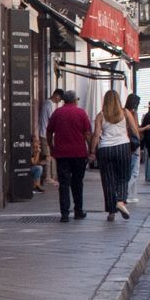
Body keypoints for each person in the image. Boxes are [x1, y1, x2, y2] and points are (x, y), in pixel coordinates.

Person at [46, 89, 93, 222]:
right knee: (78, 183)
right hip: (79, 153)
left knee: (64, 183)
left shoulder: (57, 113)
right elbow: (88, 133)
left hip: (62, 154)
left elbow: (49, 132)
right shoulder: (81, 113)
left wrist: (51, 147)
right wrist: (91, 150)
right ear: (74, 100)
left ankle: (65, 214)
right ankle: (78, 211)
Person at [93, 90, 136, 221]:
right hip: (123, 147)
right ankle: (121, 201)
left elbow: (96, 135)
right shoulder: (125, 112)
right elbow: (134, 129)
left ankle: (111, 212)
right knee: (124, 177)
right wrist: (137, 142)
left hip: (105, 149)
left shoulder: (100, 115)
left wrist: (91, 151)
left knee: (108, 180)